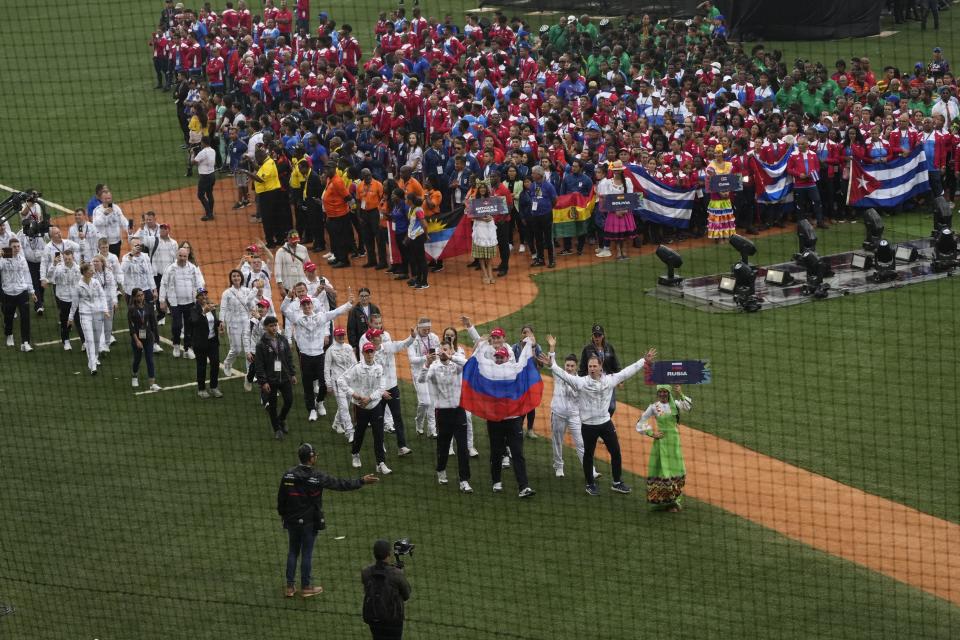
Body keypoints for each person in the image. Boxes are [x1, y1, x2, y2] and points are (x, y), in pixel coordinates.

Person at [545, 334, 656, 496]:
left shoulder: (610, 380)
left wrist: (643, 361)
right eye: (589, 366)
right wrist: (552, 365)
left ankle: (617, 482)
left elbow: (626, 372)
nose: (591, 368)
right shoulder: (581, 382)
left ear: (600, 366)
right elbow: (564, 374)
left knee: (616, 452)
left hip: (605, 424)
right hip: (588, 426)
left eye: (594, 366)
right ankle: (590, 484)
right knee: (588, 455)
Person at [278, 442, 379, 599]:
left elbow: (281, 499)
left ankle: (290, 588)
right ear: (310, 458)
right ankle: (306, 588)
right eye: (315, 455)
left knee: (292, 552)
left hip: (291, 521)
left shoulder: (288, 475)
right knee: (306, 554)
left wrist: (283, 516)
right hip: (309, 522)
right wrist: (362, 481)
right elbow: (340, 484)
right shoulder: (317, 477)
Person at [469, 332, 538, 498]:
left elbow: (524, 360)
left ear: (507, 358)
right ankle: (496, 482)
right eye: (497, 358)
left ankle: (524, 486)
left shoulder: (513, 368)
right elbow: (476, 358)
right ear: (495, 358)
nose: (499, 360)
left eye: (502, 357)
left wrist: (529, 344)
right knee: (495, 452)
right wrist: (481, 343)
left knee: (518, 453)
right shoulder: (489, 368)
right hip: (495, 420)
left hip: (513, 420)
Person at [291, 288, 355, 421]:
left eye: (309, 304)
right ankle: (312, 409)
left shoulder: (321, 317)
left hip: (320, 355)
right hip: (305, 357)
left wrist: (349, 304)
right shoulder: (298, 319)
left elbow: (336, 312)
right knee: (308, 385)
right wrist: (287, 298)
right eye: (304, 305)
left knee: (324, 384)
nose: (307, 306)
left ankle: (319, 402)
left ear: (312, 305)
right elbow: (285, 310)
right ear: (301, 307)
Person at [417, 341, 473, 493]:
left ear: (451, 350)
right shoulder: (434, 367)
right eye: (441, 349)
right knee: (443, 446)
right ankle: (441, 470)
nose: (442, 351)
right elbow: (421, 380)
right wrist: (426, 364)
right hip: (442, 413)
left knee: (462, 448)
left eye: (446, 349)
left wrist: (451, 357)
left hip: (459, 411)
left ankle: (464, 480)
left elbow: (468, 364)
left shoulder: (457, 364)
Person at [637, 385, 693, 512]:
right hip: (661, 443)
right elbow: (640, 423)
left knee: (678, 470)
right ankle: (669, 502)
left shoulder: (676, 404)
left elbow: (688, 406)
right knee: (664, 472)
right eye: (660, 392)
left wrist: (680, 393)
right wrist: (652, 433)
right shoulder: (653, 407)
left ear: (668, 393)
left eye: (665, 392)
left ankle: (675, 501)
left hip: (674, 443)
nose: (662, 394)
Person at [546, 352, 596, 479]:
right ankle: (558, 466)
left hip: (574, 416)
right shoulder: (559, 375)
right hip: (558, 414)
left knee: (581, 443)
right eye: (567, 365)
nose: (569, 368)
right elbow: (553, 364)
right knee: (557, 441)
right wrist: (552, 349)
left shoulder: (579, 381)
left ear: (576, 367)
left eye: (572, 366)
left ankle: (590, 470)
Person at [254, 315, 298, 439]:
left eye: (275, 325)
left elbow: (289, 358)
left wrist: (292, 374)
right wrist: (263, 382)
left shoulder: (283, 339)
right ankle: (277, 429)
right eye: (271, 326)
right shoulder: (261, 345)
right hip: (270, 380)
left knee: (289, 401)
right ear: (265, 327)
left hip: (284, 376)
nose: (274, 328)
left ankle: (281, 419)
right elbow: (259, 365)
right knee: (272, 406)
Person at [159, 246, 206, 359]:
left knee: (190, 326)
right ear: (177, 255)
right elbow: (163, 284)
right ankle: (176, 345)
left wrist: (202, 297)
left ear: (187, 256)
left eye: (185, 256)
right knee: (177, 326)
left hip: (190, 302)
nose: (182, 258)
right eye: (180, 255)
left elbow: (199, 283)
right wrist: (162, 300)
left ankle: (187, 348)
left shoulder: (193, 268)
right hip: (175, 303)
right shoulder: (171, 269)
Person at [362, 539, 412, 639]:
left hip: (374, 617)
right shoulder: (396, 574)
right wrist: (398, 571)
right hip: (393, 620)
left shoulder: (366, 572)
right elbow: (406, 594)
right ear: (388, 554)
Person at [69, 262, 109, 374]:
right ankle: (92, 366)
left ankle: (95, 357)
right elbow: (74, 304)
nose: (93, 271)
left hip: (97, 314)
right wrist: (70, 318)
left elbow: (102, 296)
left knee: (97, 339)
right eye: (91, 270)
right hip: (85, 315)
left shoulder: (96, 282)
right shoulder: (78, 286)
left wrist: (105, 310)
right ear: (85, 273)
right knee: (90, 340)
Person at [1, 238, 37, 351]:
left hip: (22, 292)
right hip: (8, 293)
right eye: (14, 247)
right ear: (9, 247)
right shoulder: (3, 258)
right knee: (8, 317)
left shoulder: (22, 259)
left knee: (25, 318)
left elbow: (27, 275)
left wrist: (32, 292)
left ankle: (25, 343)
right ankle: (9, 335)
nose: (17, 249)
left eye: (18, 246)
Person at [407, 317, 440, 438]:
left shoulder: (434, 337)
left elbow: (438, 350)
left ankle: (432, 430)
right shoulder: (413, 340)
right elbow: (412, 359)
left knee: (432, 402)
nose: (427, 331)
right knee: (424, 402)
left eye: (429, 329)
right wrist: (427, 358)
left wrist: (435, 356)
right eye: (425, 329)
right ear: (419, 327)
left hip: (431, 372)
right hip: (419, 374)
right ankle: (419, 422)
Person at [598, 161, 637, 260]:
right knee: (617, 234)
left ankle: (624, 251)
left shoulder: (628, 181)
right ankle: (619, 251)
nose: (617, 172)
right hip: (613, 212)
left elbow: (630, 196)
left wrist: (624, 210)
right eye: (615, 170)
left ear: (622, 170)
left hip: (626, 212)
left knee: (624, 234)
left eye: (618, 170)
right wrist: (616, 211)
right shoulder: (607, 183)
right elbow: (606, 199)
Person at [220, 269, 256, 376]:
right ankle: (227, 363)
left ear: (241, 277)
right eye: (234, 276)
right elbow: (222, 308)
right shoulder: (227, 293)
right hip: (233, 323)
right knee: (236, 349)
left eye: (238, 276)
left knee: (248, 347)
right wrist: (221, 321)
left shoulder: (246, 290)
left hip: (245, 321)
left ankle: (250, 371)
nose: (236, 278)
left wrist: (254, 310)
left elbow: (251, 304)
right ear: (231, 279)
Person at [190, 289, 224, 398]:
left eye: (205, 294)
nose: (204, 296)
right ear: (197, 297)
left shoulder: (211, 307)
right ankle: (201, 389)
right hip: (200, 343)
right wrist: (203, 312)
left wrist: (220, 324)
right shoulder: (194, 309)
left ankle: (213, 387)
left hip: (213, 342)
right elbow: (194, 322)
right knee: (202, 366)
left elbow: (214, 320)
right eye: (201, 295)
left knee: (215, 364)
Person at [324, 326, 357, 439]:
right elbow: (326, 368)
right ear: (335, 337)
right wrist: (328, 385)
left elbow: (355, 363)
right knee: (343, 407)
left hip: (348, 382)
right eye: (339, 335)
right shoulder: (330, 350)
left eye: (343, 335)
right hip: (337, 383)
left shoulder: (348, 347)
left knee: (345, 406)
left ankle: (336, 423)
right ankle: (350, 432)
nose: (342, 337)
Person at [47, 248, 83, 350]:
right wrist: (53, 265)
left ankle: (84, 341)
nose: (67, 261)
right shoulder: (58, 268)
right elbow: (49, 278)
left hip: (76, 299)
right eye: (66, 259)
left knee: (79, 320)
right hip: (63, 299)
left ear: (73, 258)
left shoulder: (78, 268)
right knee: (65, 321)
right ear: (63, 258)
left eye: (69, 259)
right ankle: (66, 341)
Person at [128, 287, 161, 391]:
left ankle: (152, 383)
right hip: (137, 337)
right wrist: (137, 341)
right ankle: (134, 376)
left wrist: (156, 338)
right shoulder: (132, 310)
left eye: (142, 295)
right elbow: (131, 328)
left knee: (150, 360)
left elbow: (153, 323)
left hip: (148, 337)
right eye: (138, 295)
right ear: (134, 297)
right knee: (137, 359)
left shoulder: (149, 307)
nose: (141, 297)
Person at [467, 180, 498, 284]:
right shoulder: (473, 200)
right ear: (478, 189)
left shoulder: (492, 199)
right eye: (481, 188)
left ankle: (490, 273)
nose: (483, 189)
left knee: (489, 253)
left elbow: (496, 211)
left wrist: (491, 217)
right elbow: (470, 215)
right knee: (481, 253)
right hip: (479, 227)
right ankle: (485, 274)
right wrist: (481, 218)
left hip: (489, 227)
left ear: (487, 189)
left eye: (484, 187)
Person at [705, 145, 736, 242]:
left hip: (726, 194)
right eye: (716, 152)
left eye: (719, 152)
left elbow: (731, 180)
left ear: (722, 153)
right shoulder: (710, 166)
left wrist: (727, 192)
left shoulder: (729, 165)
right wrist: (720, 192)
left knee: (725, 215)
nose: (717, 154)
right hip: (716, 195)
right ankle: (717, 237)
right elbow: (711, 181)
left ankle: (726, 235)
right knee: (717, 216)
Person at [347, 287, 379, 355]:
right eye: (362, 296)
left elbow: (379, 324)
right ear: (359, 297)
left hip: (374, 340)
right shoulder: (354, 311)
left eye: (366, 296)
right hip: (360, 342)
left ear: (369, 296)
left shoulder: (374, 308)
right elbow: (351, 329)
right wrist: (353, 345)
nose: (364, 298)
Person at [193, 136, 218, 221]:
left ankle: (209, 214)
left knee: (200, 195)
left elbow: (194, 162)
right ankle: (210, 212)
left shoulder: (203, 152)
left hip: (204, 177)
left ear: (203, 142)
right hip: (212, 175)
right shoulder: (213, 150)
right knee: (209, 193)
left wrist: (192, 154)